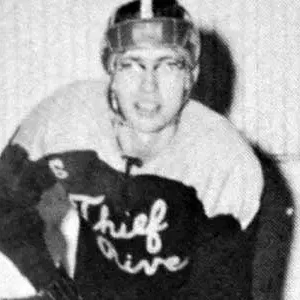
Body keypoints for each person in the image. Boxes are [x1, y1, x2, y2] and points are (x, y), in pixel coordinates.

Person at [0, 0, 264, 299]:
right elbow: (4, 202)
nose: (148, 86)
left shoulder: (226, 161)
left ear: (191, 75)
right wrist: (46, 279)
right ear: (110, 73)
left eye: (168, 64)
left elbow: (221, 289)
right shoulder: (65, 121)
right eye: (130, 64)